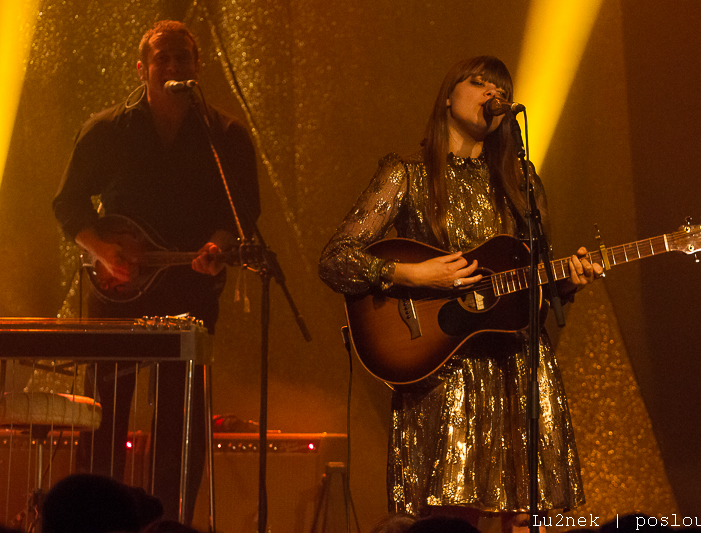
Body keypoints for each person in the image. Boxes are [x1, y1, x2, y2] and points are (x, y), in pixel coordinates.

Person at [319, 56, 602, 531]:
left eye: (500, 88)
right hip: (443, 369)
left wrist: (565, 282)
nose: (491, 94)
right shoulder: (406, 175)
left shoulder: (522, 182)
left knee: (521, 514)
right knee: (448, 516)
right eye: (479, 83)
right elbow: (335, 257)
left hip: (516, 366)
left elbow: (530, 280)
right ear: (448, 95)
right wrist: (410, 275)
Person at [52, 20, 260, 522]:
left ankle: (171, 521)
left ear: (197, 68)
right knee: (104, 417)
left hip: (189, 290)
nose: (172, 67)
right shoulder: (107, 130)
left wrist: (218, 246)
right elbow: (69, 204)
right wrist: (103, 249)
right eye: (161, 58)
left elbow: (241, 215)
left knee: (181, 422)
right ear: (142, 67)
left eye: (181, 59)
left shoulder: (225, 135)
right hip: (118, 293)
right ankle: (93, 523)